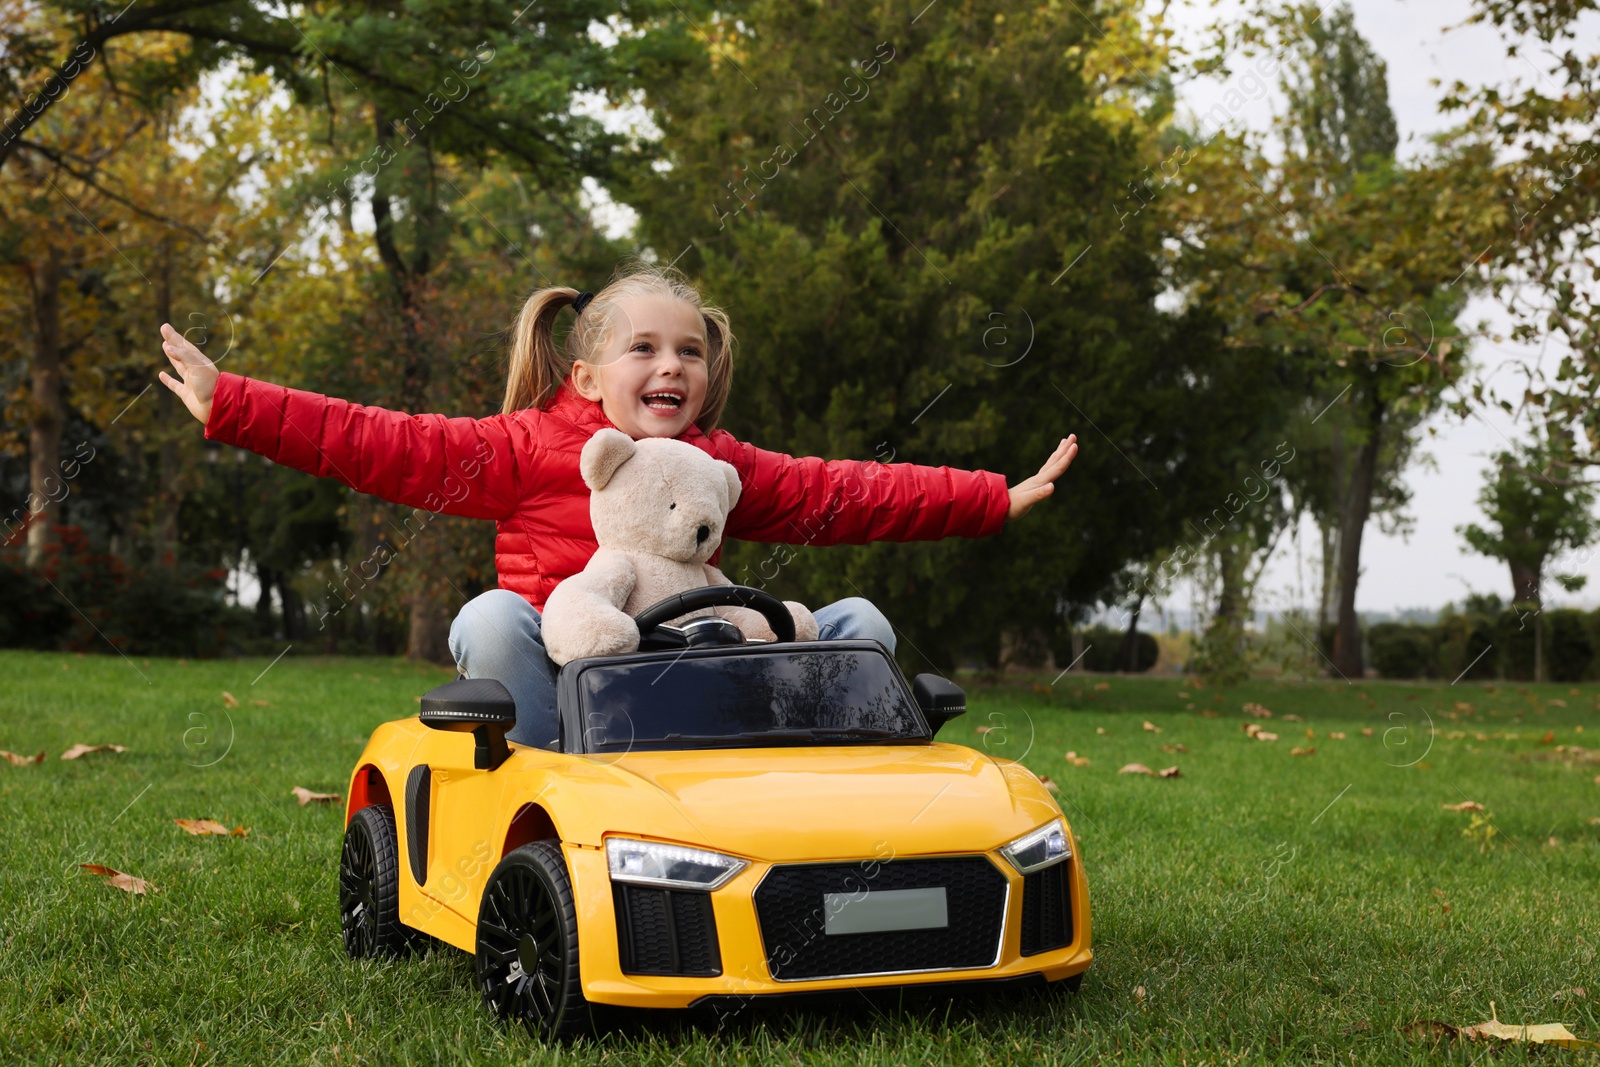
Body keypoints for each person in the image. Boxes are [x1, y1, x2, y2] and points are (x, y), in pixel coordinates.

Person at [158, 263, 1078, 749]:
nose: (671, 365)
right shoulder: (521, 446)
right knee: (489, 619)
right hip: (577, 681)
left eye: (689, 350)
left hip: (700, 670)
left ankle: (827, 775)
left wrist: (993, 496)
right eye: (645, 348)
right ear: (588, 374)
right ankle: (547, 784)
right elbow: (384, 441)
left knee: (859, 619)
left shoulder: (718, 464)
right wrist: (237, 402)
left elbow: (849, 493)